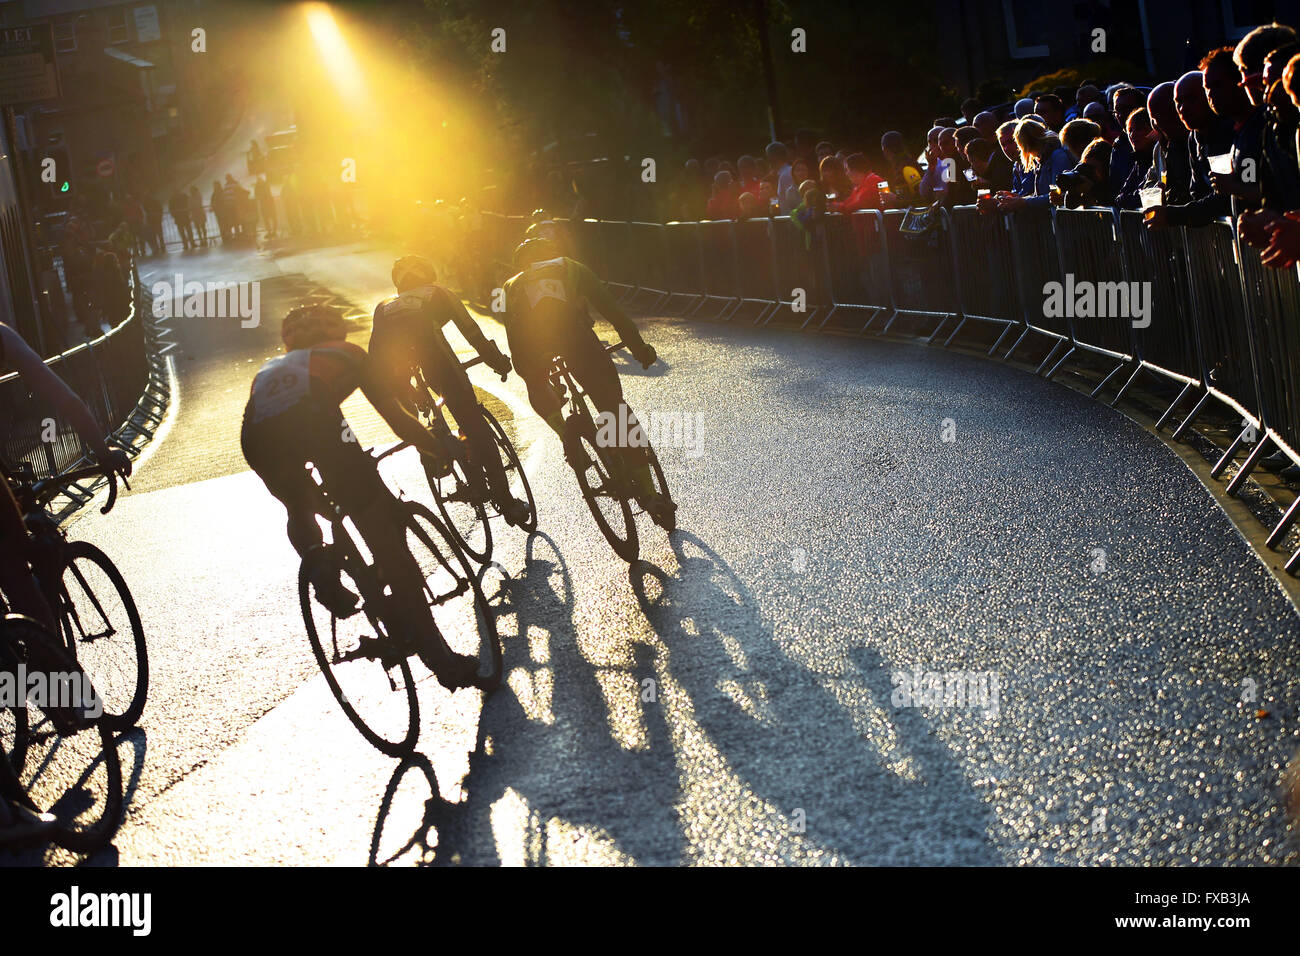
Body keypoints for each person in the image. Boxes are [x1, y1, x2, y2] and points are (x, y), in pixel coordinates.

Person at [239, 304, 481, 689]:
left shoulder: (268, 369)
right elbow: (397, 419)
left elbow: (273, 428)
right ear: (337, 333)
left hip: (258, 439)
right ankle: (442, 660)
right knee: (385, 537)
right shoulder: (348, 353)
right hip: (314, 418)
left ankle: (323, 569)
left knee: (299, 502)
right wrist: (437, 445)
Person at [501, 238, 670, 521]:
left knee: (535, 382)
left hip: (532, 349)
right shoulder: (572, 267)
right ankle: (650, 494)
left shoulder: (510, 284)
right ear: (554, 252)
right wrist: (638, 348)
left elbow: (513, 337)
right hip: (575, 338)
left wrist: (530, 372)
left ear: (522, 263)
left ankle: (564, 433)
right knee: (613, 409)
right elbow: (612, 311)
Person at [368, 255, 529, 527]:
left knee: (415, 412)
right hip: (436, 360)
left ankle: (433, 450)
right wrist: (496, 361)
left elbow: (376, 358)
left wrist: (406, 388)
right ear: (428, 275)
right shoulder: (438, 292)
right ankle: (505, 500)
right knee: (473, 424)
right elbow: (472, 332)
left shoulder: (383, 306)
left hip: (393, 367)